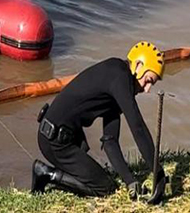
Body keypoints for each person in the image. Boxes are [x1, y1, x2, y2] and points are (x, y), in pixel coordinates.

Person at [31, 42, 167, 203]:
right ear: (138, 65)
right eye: (148, 80)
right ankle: (46, 174)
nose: (147, 89)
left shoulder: (117, 77)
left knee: (100, 180)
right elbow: (138, 128)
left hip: (63, 137)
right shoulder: (120, 77)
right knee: (105, 189)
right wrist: (158, 174)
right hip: (54, 141)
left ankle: (52, 173)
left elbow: (110, 141)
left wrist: (130, 181)